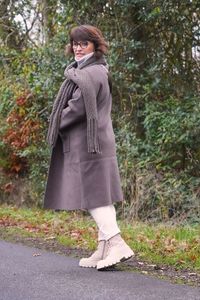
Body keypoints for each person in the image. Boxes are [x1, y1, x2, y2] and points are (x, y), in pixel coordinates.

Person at [44, 24, 134, 270]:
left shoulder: (90, 73)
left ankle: (116, 243)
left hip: (88, 145)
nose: (78, 48)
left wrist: (55, 121)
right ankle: (104, 248)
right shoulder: (94, 70)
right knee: (100, 195)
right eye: (75, 43)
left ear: (95, 46)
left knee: (94, 196)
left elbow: (76, 108)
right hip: (97, 142)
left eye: (84, 43)